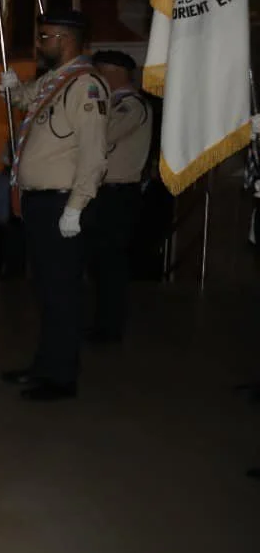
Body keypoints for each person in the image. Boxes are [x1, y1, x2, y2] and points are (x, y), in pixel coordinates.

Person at [0, 9, 108, 401]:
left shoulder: (86, 86)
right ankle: (45, 365)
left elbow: (94, 154)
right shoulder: (56, 79)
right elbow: (28, 101)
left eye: (45, 37)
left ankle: (61, 377)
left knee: (62, 293)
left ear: (66, 39)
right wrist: (13, 88)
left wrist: (76, 207)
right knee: (46, 291)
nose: (39, 43)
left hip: (62, 203)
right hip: (40, 203)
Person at [84, 50, 151, 344]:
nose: (95, 80)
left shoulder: (132, 106)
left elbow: (102, 136)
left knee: (111, 265)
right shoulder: (112, 104)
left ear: (115, 73)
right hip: (103, 193)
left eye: (99, 73)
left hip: (117, 194)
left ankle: (109, 329)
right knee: (99, 264)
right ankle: (101, 324)